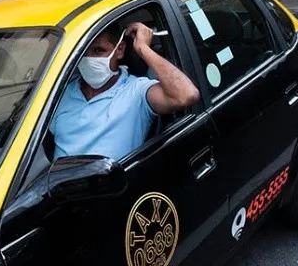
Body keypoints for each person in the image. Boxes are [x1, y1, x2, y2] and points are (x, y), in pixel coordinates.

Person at [49, 21, 200, 161]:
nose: (89, 59)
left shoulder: (136, 91)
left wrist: (143, 48)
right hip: (55, 185)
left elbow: (187, 95)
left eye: (99, 50)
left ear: (119, 50)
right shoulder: (59, 92)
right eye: (83, 52)